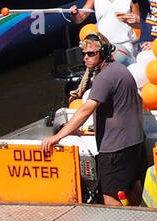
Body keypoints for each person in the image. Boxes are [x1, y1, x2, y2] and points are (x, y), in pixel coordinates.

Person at [41, 32, 147, 205]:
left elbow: (86, 109)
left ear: (103, 53)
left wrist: (57, 137)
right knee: (131, 187)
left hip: (115, 146)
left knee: (109, 195)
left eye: (91, 54)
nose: (86, 58)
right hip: (134, 141)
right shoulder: (120, 70)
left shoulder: (104, 77)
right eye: (84, 54)